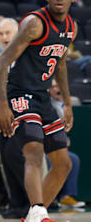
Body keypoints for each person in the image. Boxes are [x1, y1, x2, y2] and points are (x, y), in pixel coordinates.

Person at [0, 0, 79, 222]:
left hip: (43, 97)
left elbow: (60, 65)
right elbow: (2, 60)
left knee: (63, 164)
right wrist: (2, 102)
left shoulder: (71, 27)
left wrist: (68, 103)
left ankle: (33, 215)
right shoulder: (34, 24)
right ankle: (39, 212)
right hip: (20, 94)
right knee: (34, 152)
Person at [48, 79, 85, 208]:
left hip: (64, 143)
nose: (56, 89)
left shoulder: (73, 101)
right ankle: (48, 198)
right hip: (49, 144)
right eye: (52, 87)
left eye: (58, 86)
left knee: (73, 159)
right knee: (49, 161)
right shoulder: (47, 105)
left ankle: (66, 197)